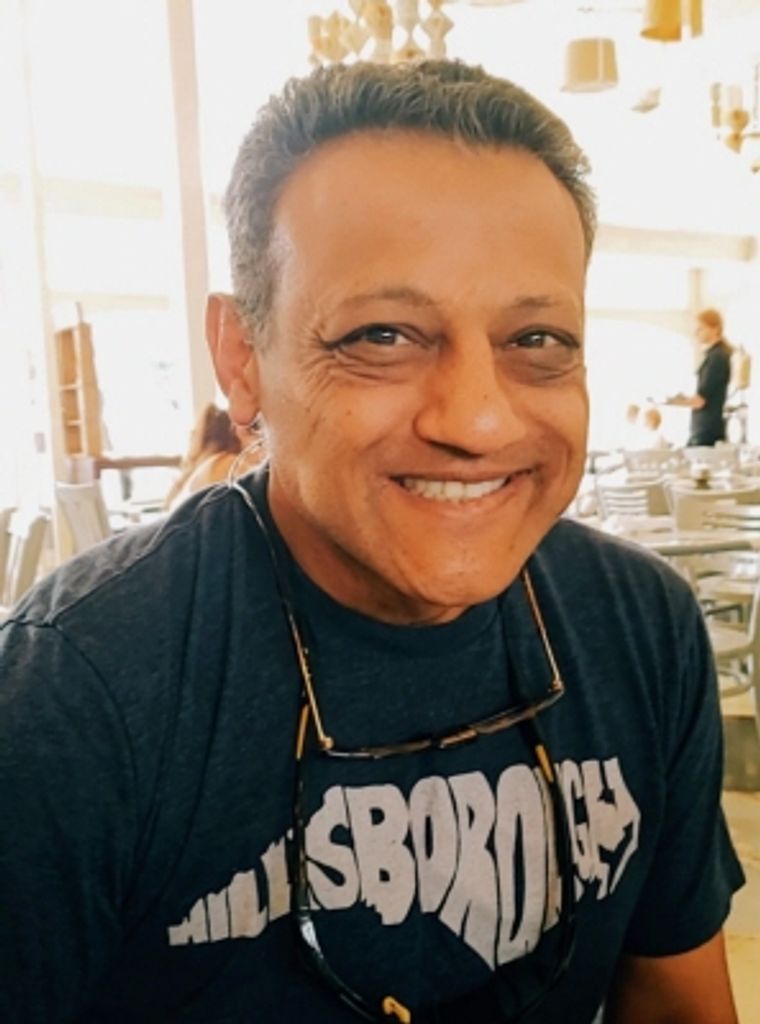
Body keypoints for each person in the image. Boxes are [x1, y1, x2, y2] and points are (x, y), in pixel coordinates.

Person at [0, 60, 743, 1024]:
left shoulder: (640, 626)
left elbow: (679, 999)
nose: (477, 420)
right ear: (243, 359)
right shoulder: (72, 696)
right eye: (383, 336)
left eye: (536, 341)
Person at [163, 401, 261, 510]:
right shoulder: (230, 465)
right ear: (236, 432)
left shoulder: (208, 464)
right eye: (254, 431)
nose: (260, 441)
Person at [665, 308, 732, 446]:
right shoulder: (714, 356)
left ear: (715, 329)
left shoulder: (717, 358)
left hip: (707, 431)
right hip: (705, 429)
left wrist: (673, 402)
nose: (696, 333)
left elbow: (700, 401)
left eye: (700, 328)